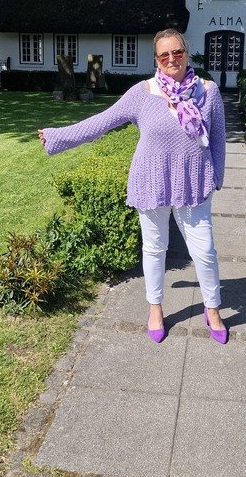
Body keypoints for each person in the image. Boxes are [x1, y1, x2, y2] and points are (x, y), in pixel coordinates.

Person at [38, 28, 228, 345]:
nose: (172, 59)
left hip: (194, 183)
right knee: (154, 249)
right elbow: (101, 122)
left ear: (186, 53)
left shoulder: (208, 91)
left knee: (204, 251)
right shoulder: (142, 93)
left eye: (177, 52)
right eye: (164, 55)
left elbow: (219, 139)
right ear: (156, 60)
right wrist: (58, 136)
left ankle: (213, 309)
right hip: (151, 181)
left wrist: (217, 176)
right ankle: (155, 309)